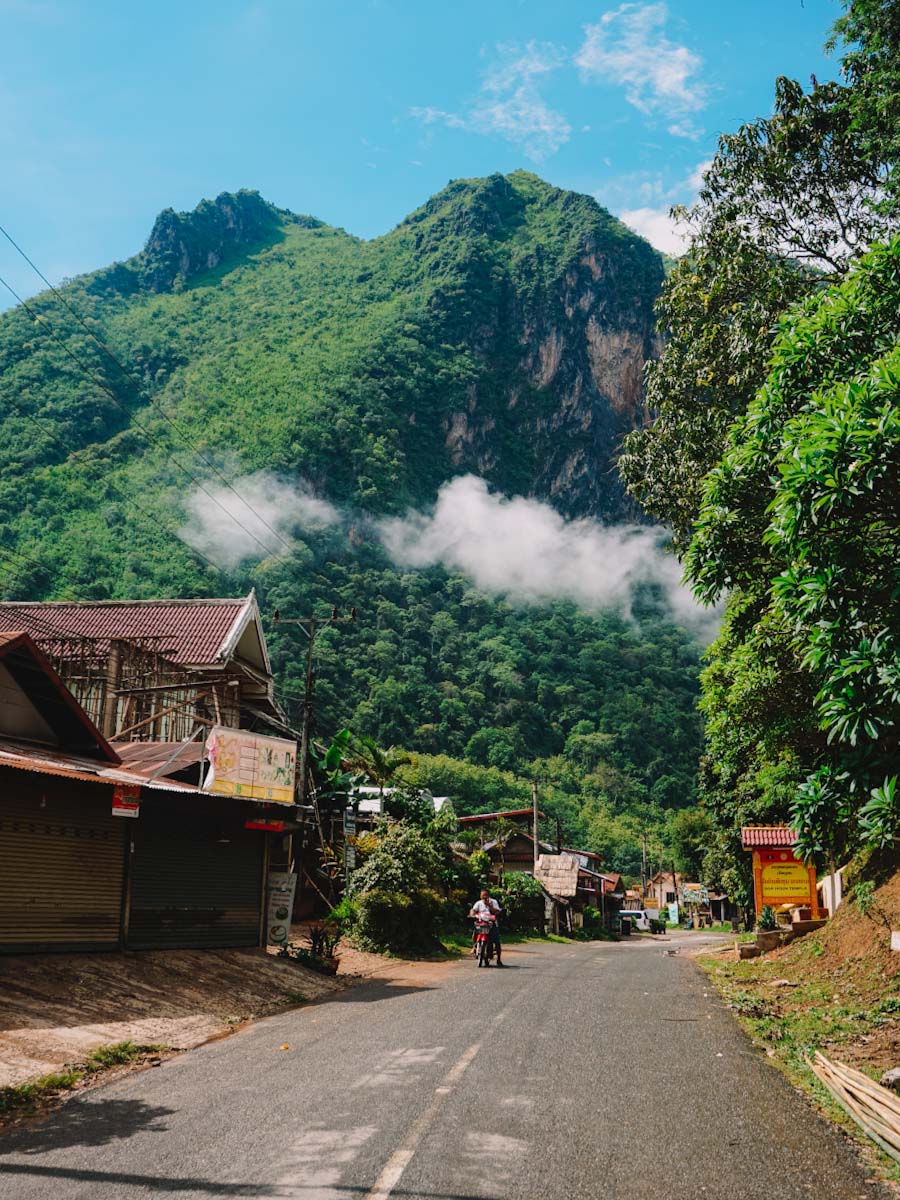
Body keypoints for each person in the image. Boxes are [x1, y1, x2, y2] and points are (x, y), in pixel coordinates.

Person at [469, 889, 504, 966]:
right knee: (475, 932)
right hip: (481, 922)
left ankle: (498, 959)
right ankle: (474, 947)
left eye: (485, 895)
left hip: (491, 923)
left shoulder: (493, 902)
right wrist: (472, 914)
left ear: (488, 895)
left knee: (497, 940)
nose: (484, 897)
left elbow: (497, 911)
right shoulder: (478, 903)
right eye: (482, 895)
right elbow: (473, 910)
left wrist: (489, 905)